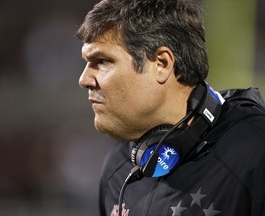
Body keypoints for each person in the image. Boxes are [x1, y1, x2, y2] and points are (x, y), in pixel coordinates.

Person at [77, 0, 265, 215]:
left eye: (102, 61)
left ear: (162, 64)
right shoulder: (119, 165)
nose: (84, 79)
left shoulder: (255, 153)